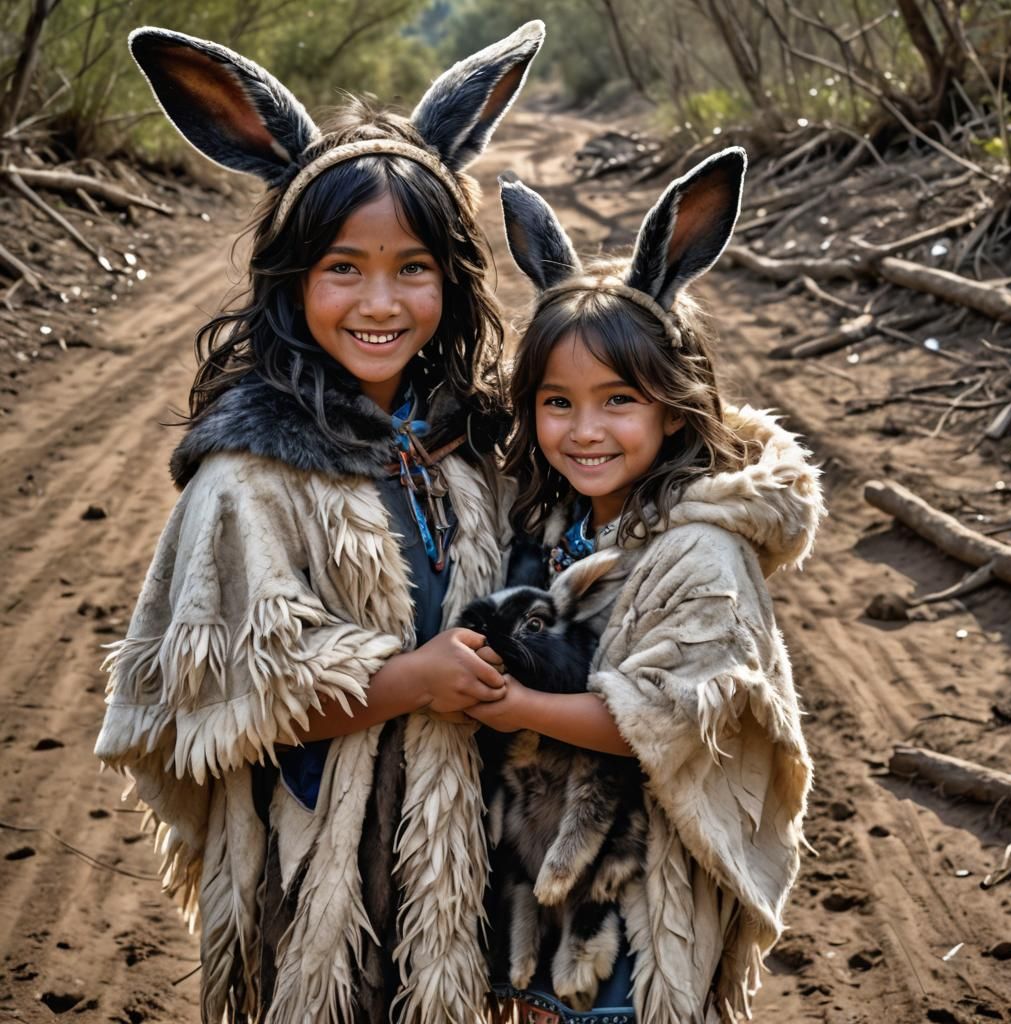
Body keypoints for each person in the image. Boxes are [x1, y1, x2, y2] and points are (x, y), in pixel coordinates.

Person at [94, 22, 544, 1024]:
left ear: (453, 278)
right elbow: (228, 695)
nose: (379, 301)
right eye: (344, 268)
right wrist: (411, 680)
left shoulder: (471, 439)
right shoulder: (249, 476)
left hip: (472, 841)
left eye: (412, 269)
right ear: (294, 280)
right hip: (325, 865)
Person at [470, 151, 825, 1022]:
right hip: (535, 868)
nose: (584, 431)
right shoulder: (555, 523)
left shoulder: (702, 552)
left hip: (634, 897)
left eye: (618, 400)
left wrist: (513, 705)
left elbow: (668, 716)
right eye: (557, 403)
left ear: (673, 404)